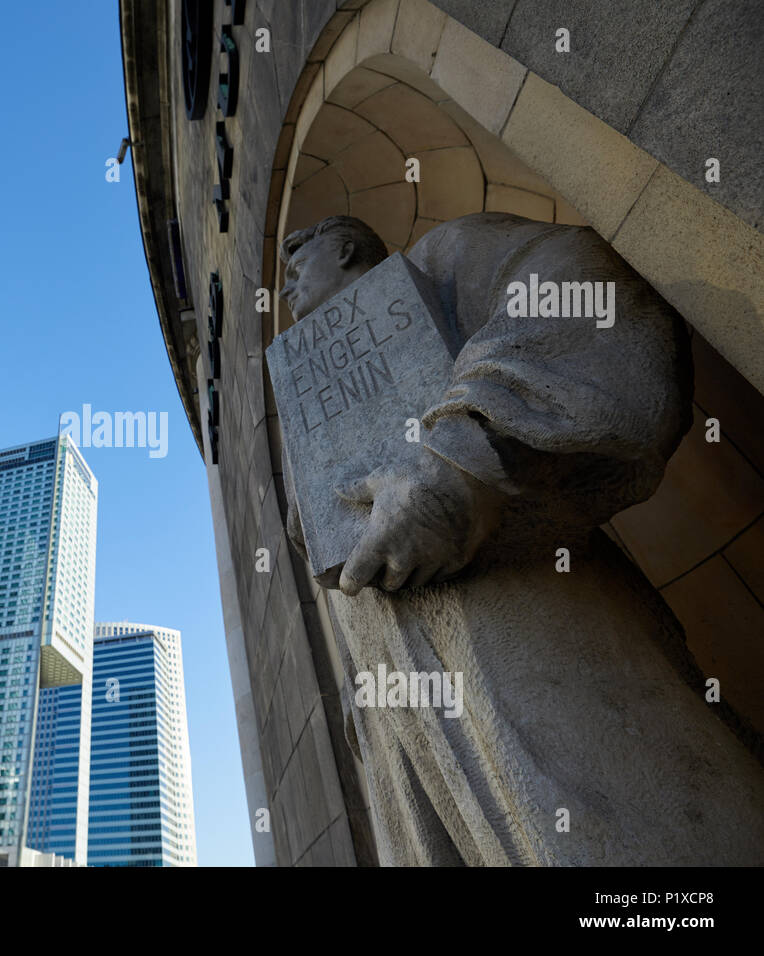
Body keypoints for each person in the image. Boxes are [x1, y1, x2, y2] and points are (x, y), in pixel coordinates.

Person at [277, 212, 764, 864]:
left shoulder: (440, 259)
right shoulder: (304, 385)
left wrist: (458, 463)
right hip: (399, 700)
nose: (283, 290)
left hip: (523, 601)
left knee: (625, 836)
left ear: (342, 247)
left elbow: (583, 280)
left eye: (294, 269)